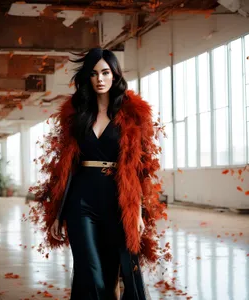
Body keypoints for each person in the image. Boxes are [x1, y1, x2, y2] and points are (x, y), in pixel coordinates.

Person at [29, 48, 168, 300]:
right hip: (81, 202)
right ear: (88, 78)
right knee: (90, 272)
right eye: (93, 74)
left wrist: (136, 212)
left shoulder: (131, 115)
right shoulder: (77, 115)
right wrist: (58, 213)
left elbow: (137, 170)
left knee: (115, 273)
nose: (100, 79)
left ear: (114, 75)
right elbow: (66, 169)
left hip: (118, 201)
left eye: (105, 72)